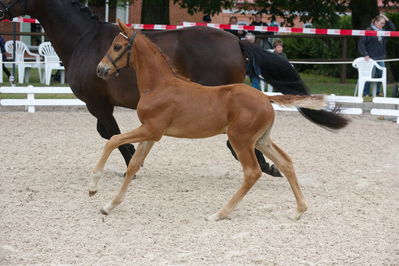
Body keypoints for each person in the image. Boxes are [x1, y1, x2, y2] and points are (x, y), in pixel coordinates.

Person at [358, 14, 396, 96]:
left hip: (380, 57)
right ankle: (365, 93)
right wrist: (365, 54)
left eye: (383, 24)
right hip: (369, 58)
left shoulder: (384, 31)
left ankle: (377, 92)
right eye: (381, 23)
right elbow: (361, 44)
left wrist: (387, 19)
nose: (382, 25)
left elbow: (393, 30)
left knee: (380, 75)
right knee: (368, 75)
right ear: (375, 22)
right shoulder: (368, 30)